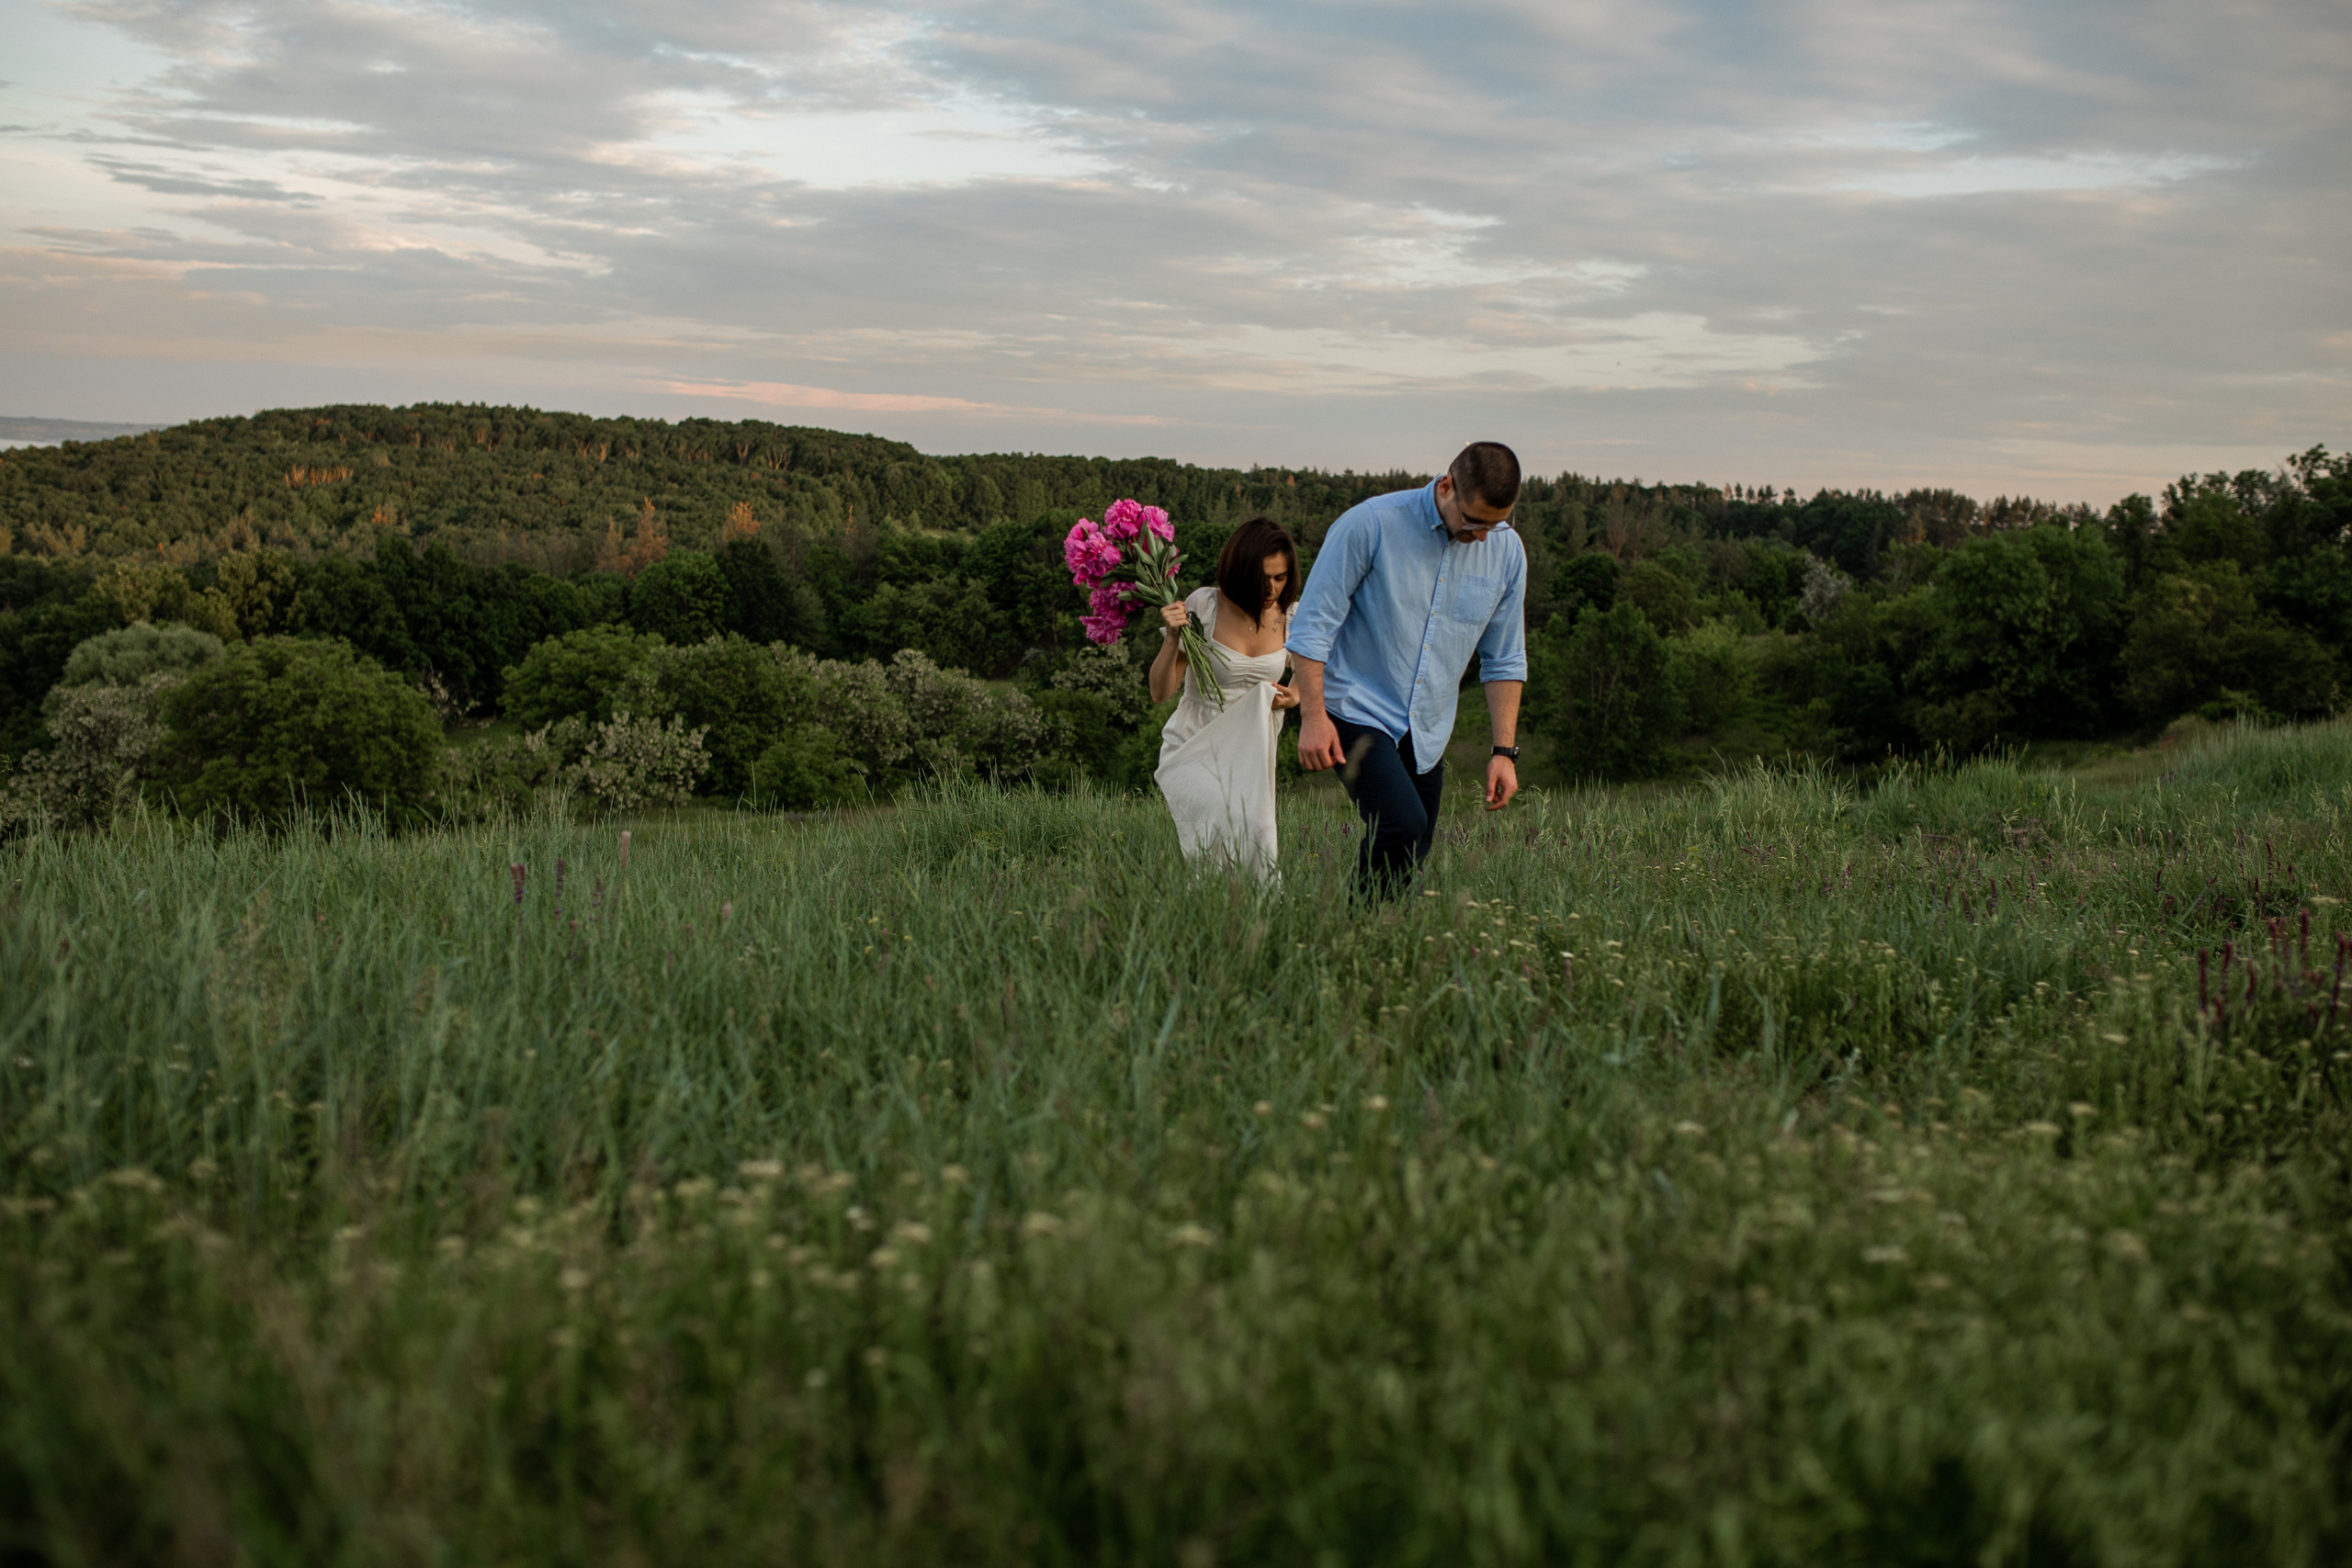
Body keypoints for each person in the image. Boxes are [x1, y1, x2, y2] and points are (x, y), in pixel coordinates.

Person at [1286, 441, 1526, 897]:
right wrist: (1314, 718)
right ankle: (1358, 937)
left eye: (1496, 524)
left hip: (1429, 726)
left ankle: (1376, 946)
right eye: (1474, 521)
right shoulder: (1370, 524)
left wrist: (1504, 751)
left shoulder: (1507, 552)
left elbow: (1505, 658)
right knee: (1401, 825)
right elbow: (1313, 626)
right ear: (1447, 485)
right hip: (1356, 707)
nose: (1482, 536)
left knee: (1414, 846)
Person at [1150, 516, 1302, 878]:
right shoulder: (1205, 605)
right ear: (1240, 570)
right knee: (1218, 842)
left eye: (1280, 577)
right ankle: (1210, 917)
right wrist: (1172, 638)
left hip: (1253, 745)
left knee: (1258, 836)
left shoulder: (1290, 616)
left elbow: (1309, 668)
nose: (1272, 588)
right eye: (1262, 576)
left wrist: (1294, 695)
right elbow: (1160, 692)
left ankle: (1250, 922)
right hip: (1198, 739)